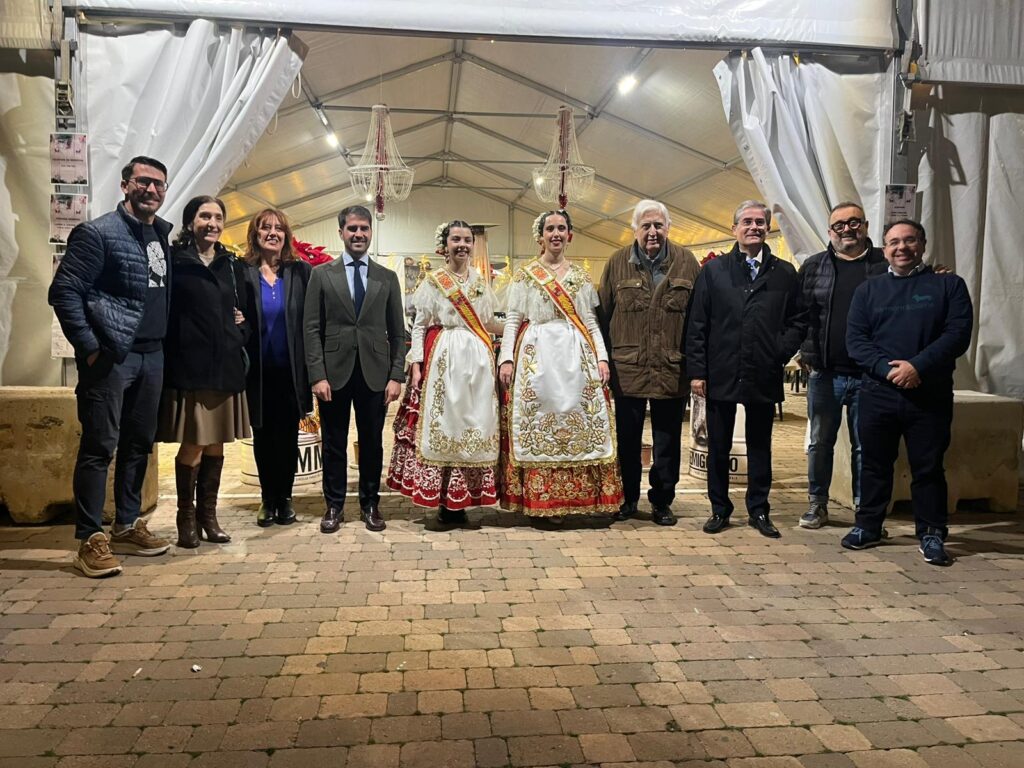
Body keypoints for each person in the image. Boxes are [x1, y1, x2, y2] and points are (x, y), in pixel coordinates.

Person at [48, 155, 173, 577]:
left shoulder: (161, 234)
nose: (151, 190)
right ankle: (89, 538)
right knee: (100, 446)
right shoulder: (97, 233)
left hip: (152, 354)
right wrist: (89, 347)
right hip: (113, 357)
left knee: (139, 444)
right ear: (125, 185)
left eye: (158, 184)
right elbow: (64, 291)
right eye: (143, 181)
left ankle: (127, 523)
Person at [844, 219, 973, 565]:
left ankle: (931, 533)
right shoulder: (868, 292)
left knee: (928, 467)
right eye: (894, 242)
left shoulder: (948, 286)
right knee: (873, 463)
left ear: (922, 244)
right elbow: (856, 342)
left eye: (909, 241)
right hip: (877, 394)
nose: (902, 248)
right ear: (883, 249)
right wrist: (890, 371)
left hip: (928, 395)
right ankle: (868, 525)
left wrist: (917, 367)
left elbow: (957, 335)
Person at [685, 200, 806, 538]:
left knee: (759, 445)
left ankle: (759, 510)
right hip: (721, 371)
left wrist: (778, 352)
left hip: (762, 372)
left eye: (760, 222)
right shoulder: (715, 271)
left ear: (768, 228)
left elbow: (798, 319)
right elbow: (698, 324)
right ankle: (719, 509)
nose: (754, 227)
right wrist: (697, 371)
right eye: (747, 222)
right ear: (734, 228)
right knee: (718, 446)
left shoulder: (783, 273)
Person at [498, 209, 623, 520]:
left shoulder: (580, 277)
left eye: (561, 228)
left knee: (574, 419)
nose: (556, 234)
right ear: (540, 236)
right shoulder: (525, 275)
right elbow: (513, 320)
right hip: (536, 357)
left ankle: (578, 499)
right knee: (539, 422)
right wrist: (507, 358)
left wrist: (602, 358)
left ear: (570, 235)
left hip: (574, 356)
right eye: (550, 228)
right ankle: (541, 501)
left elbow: (591, 323)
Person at [387, 220, 500, 524]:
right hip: (443, 359)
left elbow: (487, 322)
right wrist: (416, 364)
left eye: (466, 239)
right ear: (445, 244)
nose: (462, 244)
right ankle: (442, 500)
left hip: (476, 362)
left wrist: (525, 326)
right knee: (444, 426)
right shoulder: (433, 281)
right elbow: (421, 325)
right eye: (456, 239)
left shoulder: (479, 281)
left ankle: (460, 500)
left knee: (470, 426)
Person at [598, 199, 701, 526]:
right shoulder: (617, 262)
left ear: (668, 228)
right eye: (646, 226)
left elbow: (699, 319)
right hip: (627, 368)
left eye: (658, 225)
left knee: (667, 439)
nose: (653, 232)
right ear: (635, 230)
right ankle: (627, 498)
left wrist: (698, 368)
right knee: (627, 438)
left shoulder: (687, 262)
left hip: (672, 367)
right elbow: (602, 315)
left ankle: (662, 501)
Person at [304, 205, 406, 533]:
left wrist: (395, 375)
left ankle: (370, 504)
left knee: (372, 443)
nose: (358, 234)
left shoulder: (387, 278)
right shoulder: (322, 275)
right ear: (341, 233)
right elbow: (311, 328)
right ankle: (333, 506)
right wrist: (317, 374)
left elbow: (398, 330)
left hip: (375, 373)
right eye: (352, 229)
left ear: (371, 233)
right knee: (333, 441)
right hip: (333, 374)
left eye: (364, 228)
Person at [157, 195, 251, 547]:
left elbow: (243, 310)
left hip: (226, 365)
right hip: (191, 367)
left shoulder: (231, 264)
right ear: (190, 221)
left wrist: (241, 332)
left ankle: (208, 517)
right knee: (194, 442)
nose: (212, 223)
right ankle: (185, 518)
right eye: (204, 216)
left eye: (217, 217)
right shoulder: (175, 261)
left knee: (216, 444)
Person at [796, 201, 885, 529]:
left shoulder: (883, 264)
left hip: (870, 374)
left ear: (865, 225)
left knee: (867, 445)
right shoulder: (815, 266)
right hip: (825, 372)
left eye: (854, 223)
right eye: (839, 225)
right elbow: (800, 314)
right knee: (820, 442)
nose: (847, 230)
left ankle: (866, 509)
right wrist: (803, 354)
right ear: (829, 231)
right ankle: (817, 504)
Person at [243, 209, 312, 528]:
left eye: (278, 228)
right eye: (265, 227)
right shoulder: (242, 272)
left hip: (291, 371)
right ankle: (266, 499)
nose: (272, 232)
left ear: (287, 234)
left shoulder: (301, 272)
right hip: (256, 372)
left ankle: (284, 498)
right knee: (262, 436)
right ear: (254, 234)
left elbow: (313, 322)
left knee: (287, 437)